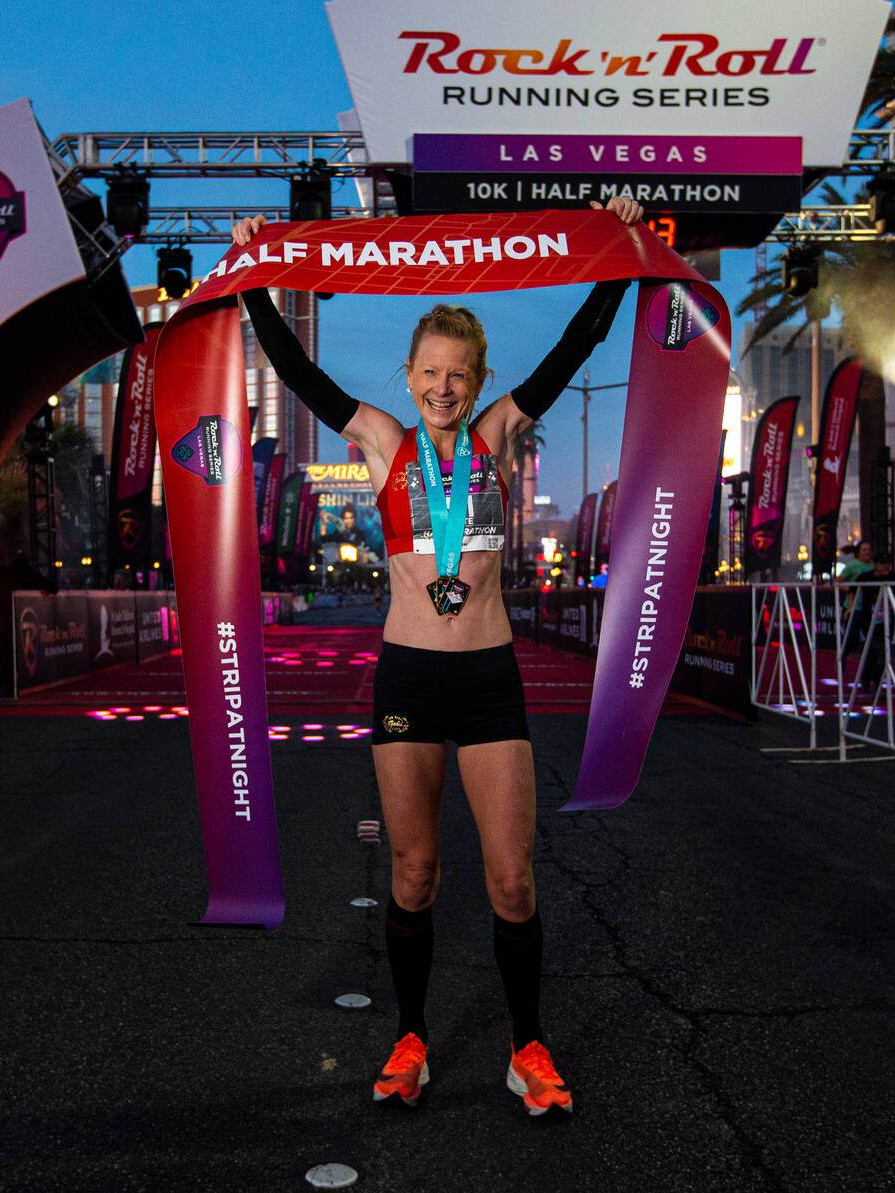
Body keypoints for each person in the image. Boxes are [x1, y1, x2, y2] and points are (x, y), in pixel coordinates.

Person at [232, 196, 644, 1116]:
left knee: (511, 878)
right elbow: (295, 370)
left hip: (489, 680)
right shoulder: (381, 440)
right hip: (410, 677)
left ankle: (525, 1048)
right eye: (430, 372)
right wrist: (259, 273)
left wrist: (617, 250)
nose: (445, 388)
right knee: (415, 872)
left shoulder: (499, 433)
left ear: (479, 376)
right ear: (409, 373)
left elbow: (576, 345)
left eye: (460, 374)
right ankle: (411, 1038)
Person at [856, 550, 895, 690]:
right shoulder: (865, 577)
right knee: (874, 649)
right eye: (883, 563)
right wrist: (851, 609)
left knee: (883, 650)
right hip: (868, 620)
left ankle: (874, 678)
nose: (886, 567)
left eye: (888, 563)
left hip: (887, 621)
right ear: (875, 564)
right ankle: (872, 677)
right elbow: (853, 593)